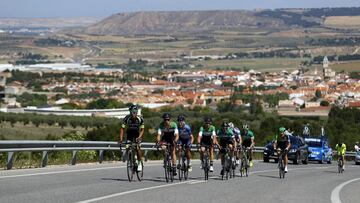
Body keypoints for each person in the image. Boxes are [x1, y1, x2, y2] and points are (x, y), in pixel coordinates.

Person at [119, 105, 144, 171]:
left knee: (138, 148)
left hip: (137, 135)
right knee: (127, 147)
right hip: (129, 135)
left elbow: (142, 130)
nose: (134, 113)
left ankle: (139, 163)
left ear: (137, 112)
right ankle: (131, 161)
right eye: (132, 112)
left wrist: (139, 137)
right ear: (130, 112)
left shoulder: (140, 119)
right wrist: (121, 139)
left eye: (135, 112)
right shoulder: (126, 118)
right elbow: (122, 129)